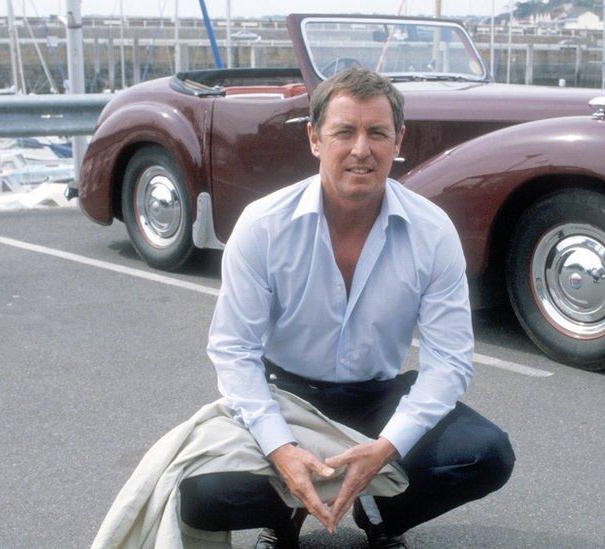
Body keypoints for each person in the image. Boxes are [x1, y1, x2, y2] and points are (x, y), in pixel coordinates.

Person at [180, 67, 515, 549]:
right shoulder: (263, 226)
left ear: (398, 139)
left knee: (485, 454)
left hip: (376, 398)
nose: (362, 148)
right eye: (344, 131)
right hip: (288, 397)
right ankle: (286, 514)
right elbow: (234, 351)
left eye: (377, 132)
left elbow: (450, 364)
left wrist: (388, 447)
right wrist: (280, 447)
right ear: (315, 138)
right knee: (199, 492)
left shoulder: (432, 231)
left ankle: (378, 511)